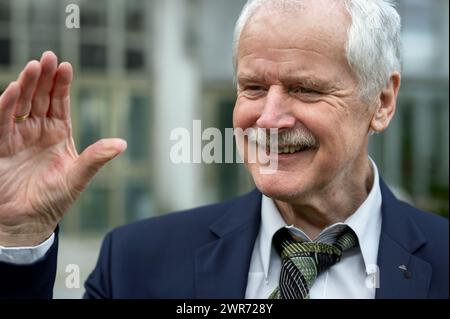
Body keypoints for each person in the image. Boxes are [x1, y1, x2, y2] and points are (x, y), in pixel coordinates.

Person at [0, 0, 448, 299]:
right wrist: (20, 237)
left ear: (382, 103)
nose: (268, 118)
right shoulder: (137, 264)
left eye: (304, 90)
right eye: (253, 87)